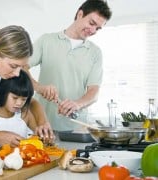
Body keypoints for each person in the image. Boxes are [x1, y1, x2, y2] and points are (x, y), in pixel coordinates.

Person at [28, 0, 112, 131]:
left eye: (98, 28)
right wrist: (39, 88)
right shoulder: (46, 40)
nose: (93, 30)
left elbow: (94, 91)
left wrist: (77, 104)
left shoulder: (95, 52)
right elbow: (21, 67)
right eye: (92, 23)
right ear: (80, 14)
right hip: (42, 124)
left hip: (75, 129)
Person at [0, 70, 43, 152]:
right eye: (15, 98)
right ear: (3, 93)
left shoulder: (25, 115)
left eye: (24, 99)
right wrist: (5, 148)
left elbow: (40, 137)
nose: (19, 103)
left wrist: (45, 137)